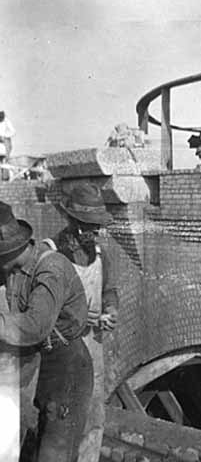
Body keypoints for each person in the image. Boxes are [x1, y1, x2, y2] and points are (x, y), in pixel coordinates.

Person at [0, 201, 92, 461]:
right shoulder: (13, 267)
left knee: (55, 451)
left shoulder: (50, 268)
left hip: (67, 365)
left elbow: (34, 327)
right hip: (39, 359)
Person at [43, 183, 118, 462]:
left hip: (93, 346)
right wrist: (72, 313)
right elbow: (38, 310)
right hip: (62, 349)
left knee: (94, 416)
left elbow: (109, 290)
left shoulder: (100, 255)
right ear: (71, 221)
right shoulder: (51, 254)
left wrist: (111, 310)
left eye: (97, 226)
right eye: (89, 226)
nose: (95, 232)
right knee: (61, 420)